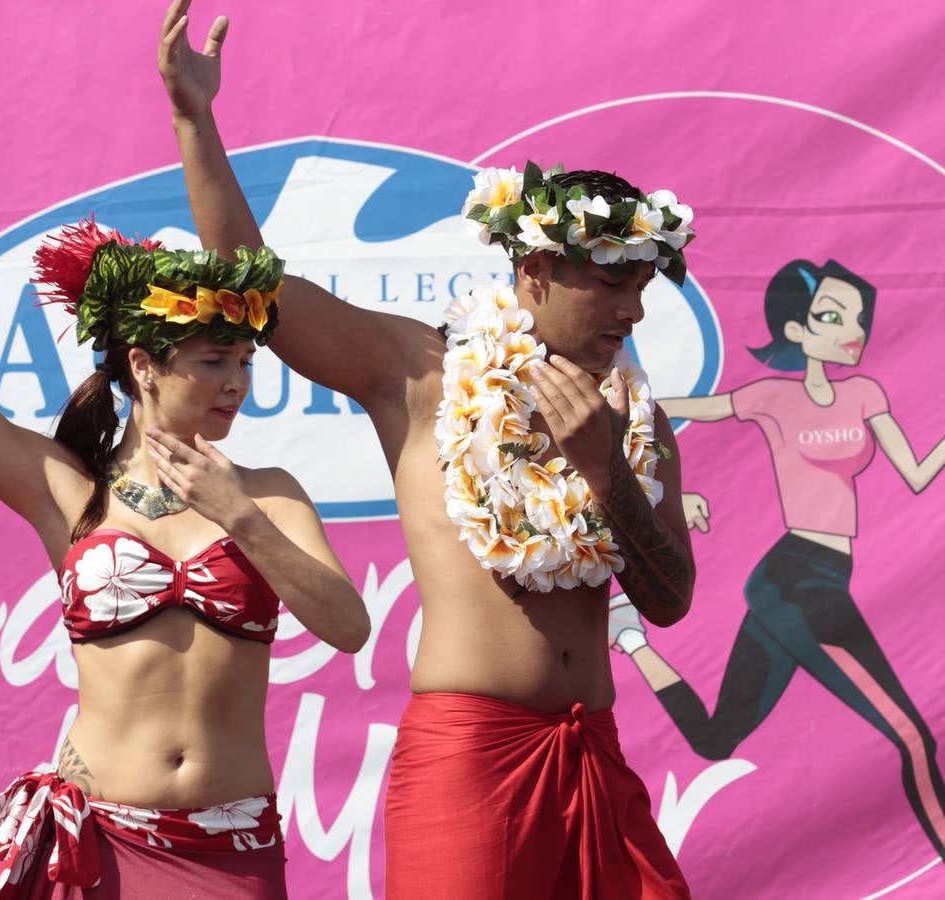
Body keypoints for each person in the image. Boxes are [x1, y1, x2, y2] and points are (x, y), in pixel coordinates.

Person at [156, 3, 695, 896]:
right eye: (609, 283)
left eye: (641, 287)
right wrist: (193, 122)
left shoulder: (634, 421)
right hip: (470, 756)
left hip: (590, 748)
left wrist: (604, 471)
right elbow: (252, 279)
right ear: (533, 270)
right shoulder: (419, 373)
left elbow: (668, 600)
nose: (631, 311)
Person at [0, 95, 369, 899]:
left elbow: (346, 626)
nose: (235, 384)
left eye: (244, 364)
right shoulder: (68, 492)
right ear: (145, 364)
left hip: (230, 848)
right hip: (99, 847)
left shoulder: (268, 494)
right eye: (213, 362)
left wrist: (239, 518)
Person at [609, 258, 945, 858]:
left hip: (811, 579)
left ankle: (629, 638)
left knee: (716, 739)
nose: (853, 330)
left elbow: (918, 475)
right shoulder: (771, 396)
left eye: (858, 319)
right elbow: (676, 409)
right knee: (914, 738)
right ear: (796, 331)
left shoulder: (865, 393)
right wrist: (651, 470)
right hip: (796, 579)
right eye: (832, 316)